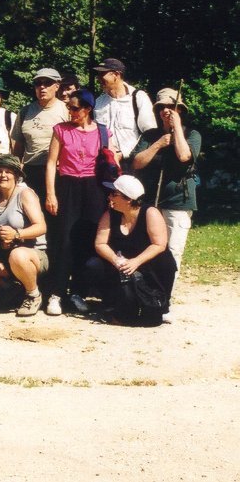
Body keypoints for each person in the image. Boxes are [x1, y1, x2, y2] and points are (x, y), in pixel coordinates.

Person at [130, 87, 200, 320]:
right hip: (150, 202)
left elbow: (183, 156)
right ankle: (147, 295)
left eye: (171, 107)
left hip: (178, 202)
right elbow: (137, 163)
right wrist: (159, 143)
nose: (165, 112)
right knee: (148, 248)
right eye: (161, 108)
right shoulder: (150, 136)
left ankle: (165, 300)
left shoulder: (192, 134)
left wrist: (177, 128)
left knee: (172, 252)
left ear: (180, 110)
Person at [44, 89, 114, 316]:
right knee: (64, 240)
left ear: (88, 109)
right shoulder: (61, 130)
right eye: (69, 108)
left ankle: (79, 291)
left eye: (75, 108)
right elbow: (51, 163)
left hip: (94, 189)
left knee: (88, 240)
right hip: (68, 186)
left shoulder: (103, 132)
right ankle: (56, 292)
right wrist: (51, 194)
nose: (70, 112)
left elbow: (110, 162)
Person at [87, 175, 176, 325]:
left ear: (129, 199)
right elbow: (100, 243)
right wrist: (116, 260)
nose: (109, 197)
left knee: (165, 261)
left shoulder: (150, 213)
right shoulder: (110, 214)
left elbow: (159, 244)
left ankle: (161, 303)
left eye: (114, 194)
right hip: (121, 261)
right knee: (93, 265)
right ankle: (111, 303)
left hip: (146, 262)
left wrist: (136, 262)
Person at [0, 154, 48, 316]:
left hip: (33, 254)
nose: (3, 175)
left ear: (17, 175)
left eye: (8, 172)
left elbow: (41, 227)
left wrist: (17, 234)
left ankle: (33, 295)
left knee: (18, 255)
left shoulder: (24, 194)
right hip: (6, 254)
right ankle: (14, 290)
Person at [10, 68, 69, 210]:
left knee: (56, 217)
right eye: (38, 83)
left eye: (47, 83)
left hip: (58, 172)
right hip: (30, 171)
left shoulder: (66, 110)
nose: (42, 87)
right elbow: (17, 148)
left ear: (57, 86)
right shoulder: (25, 112)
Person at [93, 58, 156, 160]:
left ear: (116, 75)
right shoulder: (99, 102)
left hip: (132, 162)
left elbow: (149, 133)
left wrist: (126, 154)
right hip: (105, 162)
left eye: (102, 74)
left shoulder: (138, 97)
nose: (98, 78)